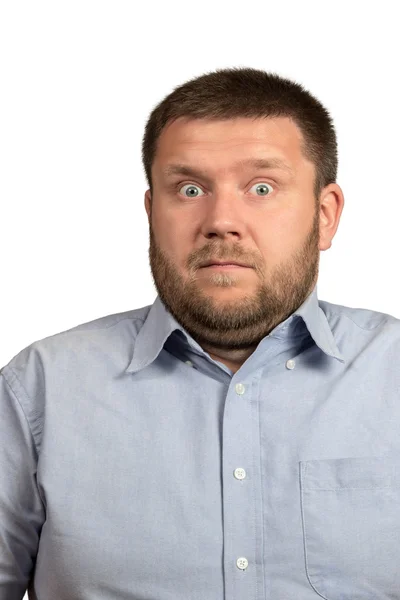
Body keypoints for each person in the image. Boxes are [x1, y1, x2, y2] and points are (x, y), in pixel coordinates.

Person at [1, 67, 399, 600]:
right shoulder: (39, 390)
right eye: (189, 189)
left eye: (262, 187)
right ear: (151, 212)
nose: (221, 221)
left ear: (324, 216)